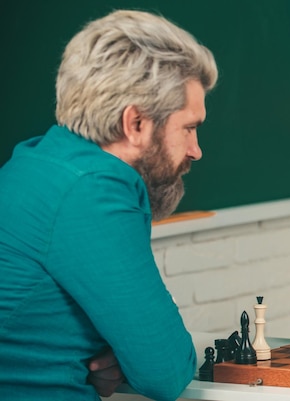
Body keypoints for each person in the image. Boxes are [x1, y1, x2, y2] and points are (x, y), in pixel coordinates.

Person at [0, 9, 218, 400]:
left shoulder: (39, 160)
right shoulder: (94, 191)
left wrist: (120, 356)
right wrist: (131, 357)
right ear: (135, 123)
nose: (195, 150)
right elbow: (166, 373)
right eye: (189, 127)